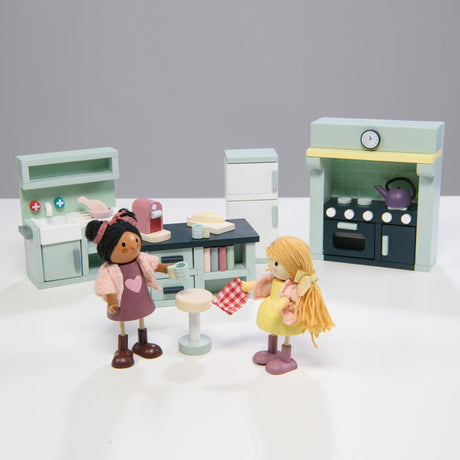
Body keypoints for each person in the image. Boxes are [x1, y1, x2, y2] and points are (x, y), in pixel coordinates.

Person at [85, 209, 169, 369]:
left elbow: (152, 264)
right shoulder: (109, 270)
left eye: (136, 241)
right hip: (121, 301)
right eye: (124, 245)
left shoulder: (139, 259)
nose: (132, 248)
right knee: (122, 323)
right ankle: (123, 349)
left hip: (140, 297)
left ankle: (142, 343)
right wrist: (111, 302)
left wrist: (164, 268)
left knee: (141, 320)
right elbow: (107, 286)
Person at [242, 236, 335, 375]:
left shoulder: (293, 286)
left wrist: (281, 303)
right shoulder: (274, 279)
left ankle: (286, 360)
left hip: (285, 312)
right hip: (272, 309)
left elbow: (289, 297)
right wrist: (246, 286)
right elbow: (260, 283)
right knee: (272, 331)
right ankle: (272, 352)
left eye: (276, 263)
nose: (271, 266)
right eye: (270, 261)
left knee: (286, 336)